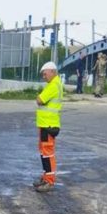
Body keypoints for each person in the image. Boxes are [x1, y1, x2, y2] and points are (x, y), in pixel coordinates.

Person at [33, 61, 63, 192]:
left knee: (47, 153)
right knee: (44, 152)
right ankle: (46, 177)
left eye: (45, 74)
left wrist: (39, 98)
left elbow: (39, 100)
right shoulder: (54, 84)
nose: (43, 76)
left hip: (48, 125)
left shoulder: (53, 86)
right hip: (46, 124)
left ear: (52, 71)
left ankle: (49, 181)